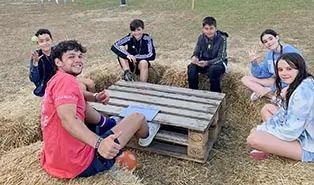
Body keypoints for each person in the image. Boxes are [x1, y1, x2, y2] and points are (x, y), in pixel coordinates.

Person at [40, 40, 160, 179]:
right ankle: (145, 136)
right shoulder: (67, 81)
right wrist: (100, 144)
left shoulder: (56, 80)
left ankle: (108, 124)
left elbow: (78, 97)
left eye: (80, 56)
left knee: (82, 105)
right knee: (137, 117)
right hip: (81, 163)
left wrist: (95, 97)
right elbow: (68, 119)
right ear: (58, 62)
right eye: (71, 57)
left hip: (55, 162)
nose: (78, 60)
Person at [247, 53, 314, 162]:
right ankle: (272, 146)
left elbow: (291, 129)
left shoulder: (302, 93)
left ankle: (270, 147)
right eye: (280, 69)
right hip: (303, 131)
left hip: (309, 144)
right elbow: (288, 115)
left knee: (253, 138)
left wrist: (264, 129)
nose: (284, 73)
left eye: (289, 69)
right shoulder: (304, 81)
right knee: (267, 108)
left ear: (299, 68)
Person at [29, 29, 95, 97]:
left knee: (90, 83)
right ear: (38, 43)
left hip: (64, 79)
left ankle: (91, 102)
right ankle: (87, 101)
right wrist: (35, 64)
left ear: (52, 40)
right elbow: (34, 79)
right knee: (80, 89)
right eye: (41, 41)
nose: (45, 43)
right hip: (50, 85)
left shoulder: (58, 51)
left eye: (47, 40)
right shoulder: (36, 57)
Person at [241, 29, 302, 102]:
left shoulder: (290, 51)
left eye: (270, 38)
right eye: (265, 42)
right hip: (276, 81)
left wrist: (276, 88)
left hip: (291, 82)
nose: (269, 43)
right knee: (245, 79)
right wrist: (254, 63)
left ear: (277, 38)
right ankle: (273, 97)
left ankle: (262, 93)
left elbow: (300, 72)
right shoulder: (270, 55)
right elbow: (263, 74)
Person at [187, 16, 228, 93]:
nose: (209, 31)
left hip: (217, 64)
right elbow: (196, 52)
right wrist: (195, 58)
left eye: (211, 28)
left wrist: (207, 63)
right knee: (191, 68)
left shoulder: (222, 38)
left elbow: (221, 57)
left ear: (215, 28)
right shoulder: (201, 38)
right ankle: (193, 93)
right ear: (203, 29)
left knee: (213, 70)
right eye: (206, 29)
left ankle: (215, 96)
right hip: (203, 63)